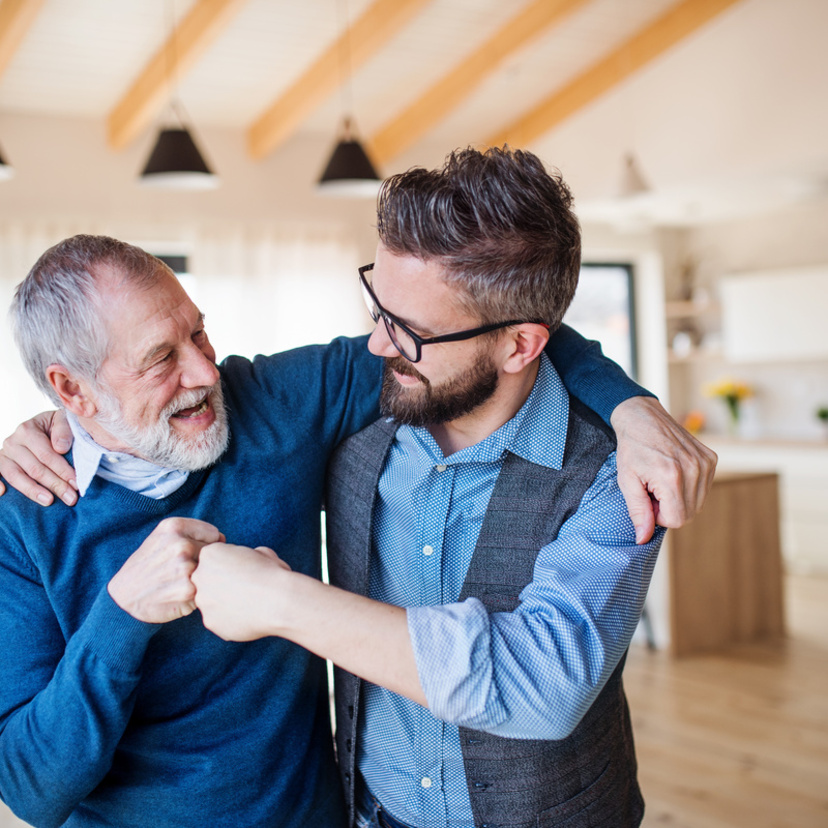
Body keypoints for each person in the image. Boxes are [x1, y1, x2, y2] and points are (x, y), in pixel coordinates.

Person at [0, 231, 715, 823]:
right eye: (161, 358)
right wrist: (122, 614)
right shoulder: (20, 516)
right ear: (70, 390)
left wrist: (633, 408)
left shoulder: (276, 401)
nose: (203, 370)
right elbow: (31, 788)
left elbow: (495, 329)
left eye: (199, 332)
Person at [191, 147, 688, 828]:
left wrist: (282, 602)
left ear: (520, 346)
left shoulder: (615, 470)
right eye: (377, 308)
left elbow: (542, 685)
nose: (376, 346)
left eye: (412, 333)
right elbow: (172, 408)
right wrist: (65, 425)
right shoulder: (354, 413)